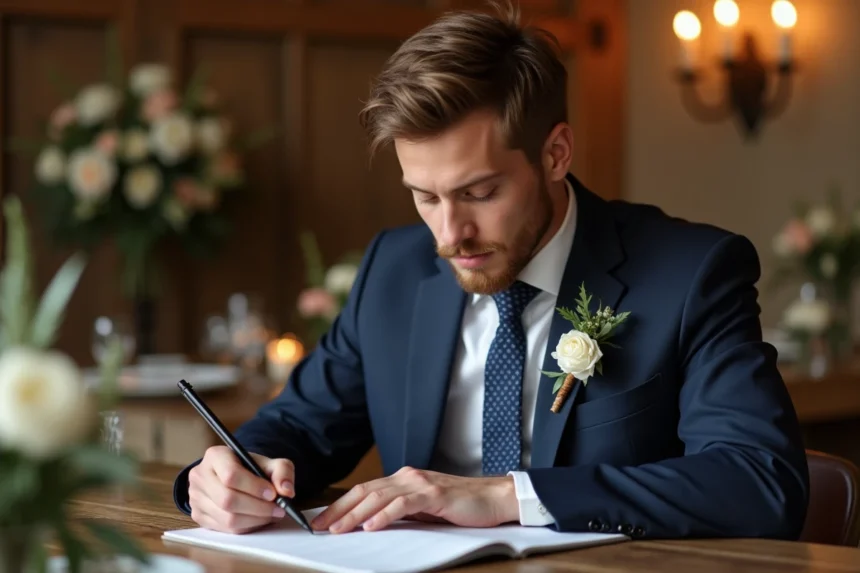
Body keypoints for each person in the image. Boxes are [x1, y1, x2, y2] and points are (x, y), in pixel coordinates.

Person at [173, 2, 809, 539]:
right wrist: (227, 476)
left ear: (555, 154)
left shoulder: (692, 274)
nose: (450, 235)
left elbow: (762, 481)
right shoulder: (393, 271)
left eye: (478, 194)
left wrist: (509, 496)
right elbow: (295, 427)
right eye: (425, 197)